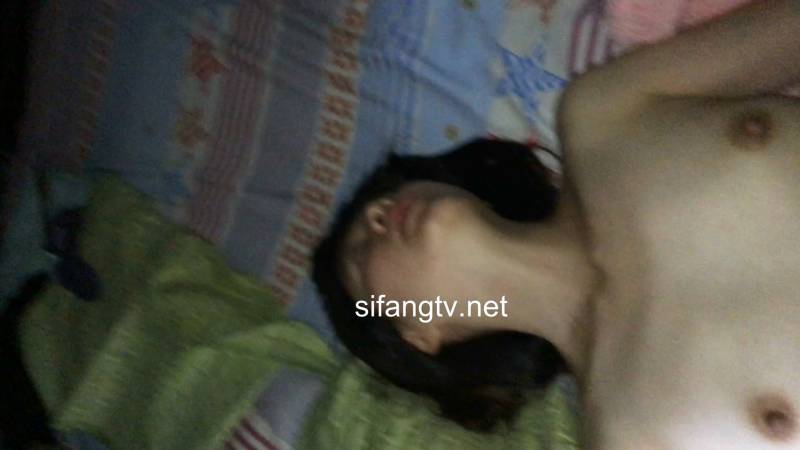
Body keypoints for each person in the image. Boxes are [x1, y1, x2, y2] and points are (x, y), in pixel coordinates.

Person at [316, 0, 800, 447]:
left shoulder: (601, 112)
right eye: (359, 257)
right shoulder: (629, 433)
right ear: (420, 334)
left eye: (383, 195)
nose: (377, 212)